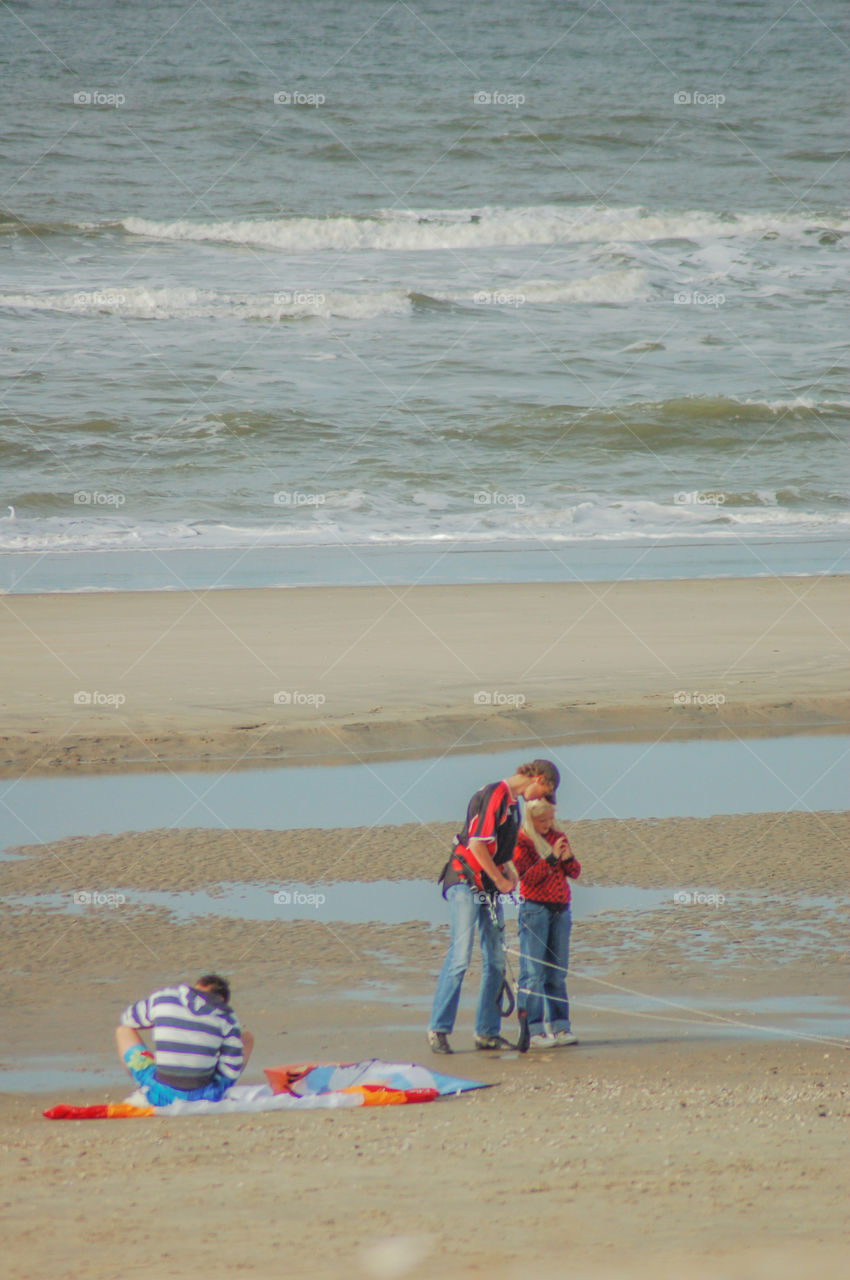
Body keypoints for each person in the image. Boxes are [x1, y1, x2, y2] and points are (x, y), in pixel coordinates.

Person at [427, 758, 561, 1054]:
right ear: (537, 778)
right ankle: (438, 1029)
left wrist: (508, 871)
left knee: (497, 960)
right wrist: (500, 882)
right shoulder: (495, 794)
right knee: (461, 957)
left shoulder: (512, 803)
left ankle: (486, 1032)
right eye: (543, 792)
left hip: (487, 885)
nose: (540, 800)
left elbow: (496, 849)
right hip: (464, 881)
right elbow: (476, 844)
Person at [115, 973, 254, 1105]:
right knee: (247, 1039)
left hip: (159, 1095)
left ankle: (144, 1087)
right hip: (205, 1096)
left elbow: (127, 1019)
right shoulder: (227, 1018)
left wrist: (160, 1021)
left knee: (123, 1031)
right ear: (222, 1000)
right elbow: (231, 1070)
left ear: (197, 985)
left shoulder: (165, 997)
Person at [514, 798, 580, 1049]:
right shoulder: (522, 841)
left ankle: (561, 1026)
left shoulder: (558, 836)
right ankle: (534, 1030)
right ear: (531, 820)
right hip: (535, 910)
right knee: (533, 974)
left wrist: (568, 857)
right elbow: (528, 878)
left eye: (550, 819)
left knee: (557, 972)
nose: (547, 825)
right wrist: (551, 858)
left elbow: (573, 872)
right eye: (542, 821)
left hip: (561, 910)